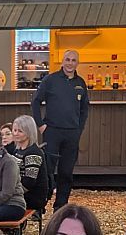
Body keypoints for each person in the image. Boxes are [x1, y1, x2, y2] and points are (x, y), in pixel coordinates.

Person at [31, 47, 91, 206]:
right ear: (62, 61)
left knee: (66, 173)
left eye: (73, 60)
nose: (70, 63)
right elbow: (36, 102)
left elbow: (85, 108)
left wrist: (79, 128)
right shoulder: (50, 80)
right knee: (48, 170)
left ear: (78, 63)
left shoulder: (80, 83)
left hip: (72, 134)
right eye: (67, 59)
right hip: (52, 132)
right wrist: (41, 125)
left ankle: (60, 207)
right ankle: (41, 203)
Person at [11, 117, 51, 217]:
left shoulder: (33, 153)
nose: (15, 133)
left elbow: (29, 182)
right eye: (14, 130)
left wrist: (11, 193)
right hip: (20, 191)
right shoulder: (18, 150)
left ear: (29, 132)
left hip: (32, 197)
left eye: (20, 131)